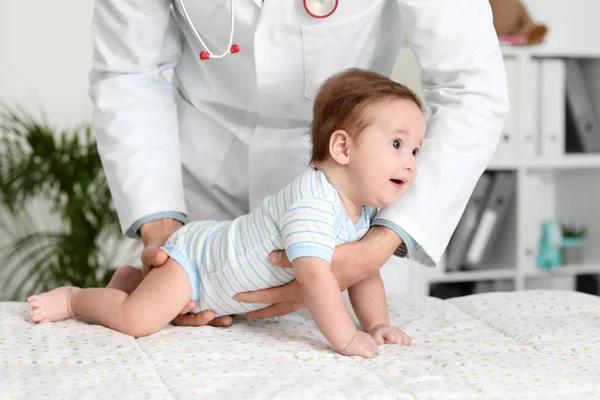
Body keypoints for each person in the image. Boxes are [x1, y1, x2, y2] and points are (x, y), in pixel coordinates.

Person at [89, 0, 509, 327]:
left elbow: (470, 85)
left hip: (352, 199)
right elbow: (129, 73)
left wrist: (375, 247)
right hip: (206, 194)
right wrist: (163, 230)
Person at [28, 68, 424, 359]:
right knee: (138, 322)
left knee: (144, 305)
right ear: (342, 148)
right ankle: (74, 299)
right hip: (196, 265)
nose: (410, 163)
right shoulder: (314, 201)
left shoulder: (360, 212)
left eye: (415, 150)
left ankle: (126, 282)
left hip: (216, 277)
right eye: (396, 143)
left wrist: (375, 324)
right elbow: (317, 279)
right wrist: (347, 339)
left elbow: (362, 270)